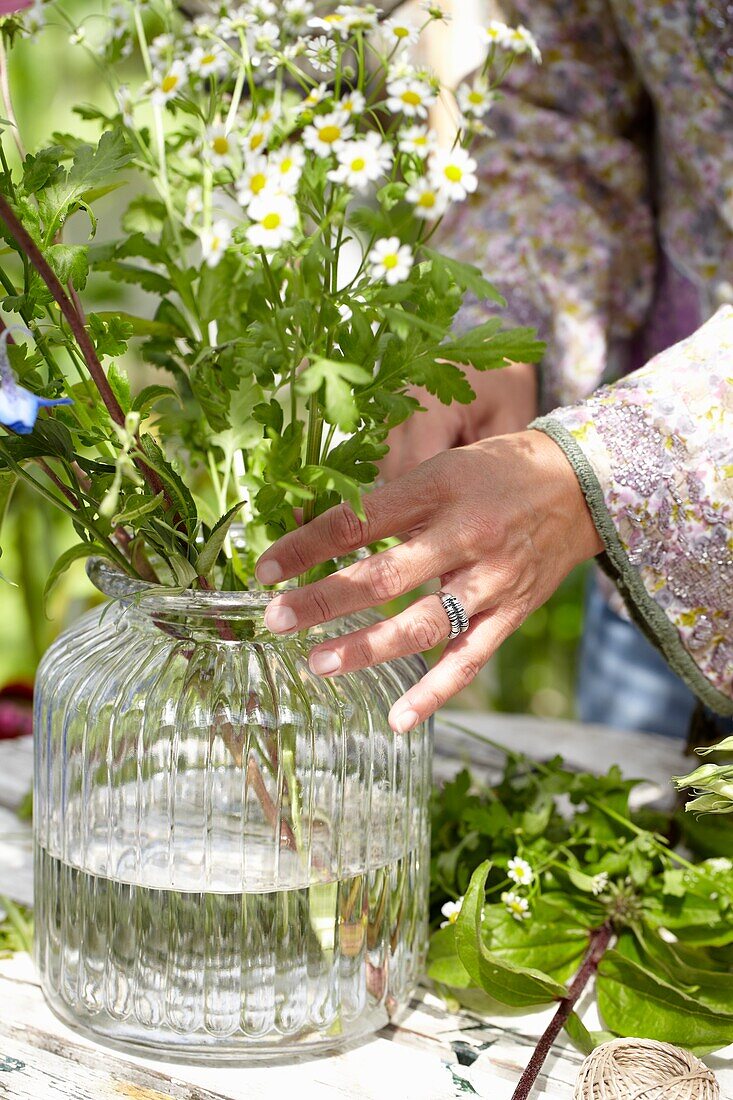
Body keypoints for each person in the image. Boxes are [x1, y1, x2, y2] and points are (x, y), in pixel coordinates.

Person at [254, 0, 732, 735]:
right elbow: (566, 108)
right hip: (647, 575)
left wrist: (596, 473)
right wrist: (500, 332)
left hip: (654, 487)